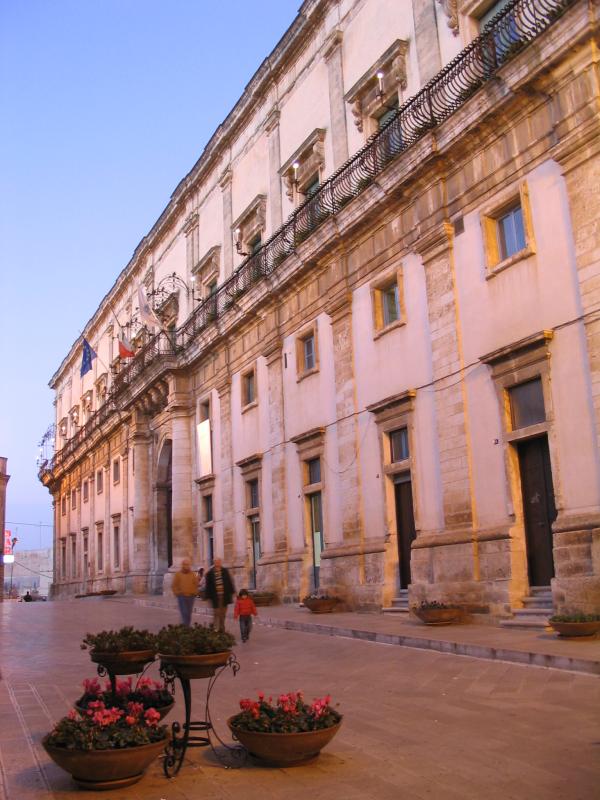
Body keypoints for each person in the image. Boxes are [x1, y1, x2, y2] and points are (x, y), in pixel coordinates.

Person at [204, 557, 235, 632]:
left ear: (220, 562)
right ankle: (215, 629)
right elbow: (208, 586)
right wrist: (207, 597)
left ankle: (222, 628)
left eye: (218, 562)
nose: (217, 563)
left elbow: (229, 582)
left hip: (224, 596)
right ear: (214, 563)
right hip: (215, 596)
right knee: (216, 613)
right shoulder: (210, 573)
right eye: (216, 562)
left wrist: (232, 592)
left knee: (223, 614)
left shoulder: (225, 571)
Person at [172, 557, 198, 626]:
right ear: (183, 565)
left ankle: (186, 626)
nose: (187, 566)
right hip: (182, 597)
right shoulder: (178, 574)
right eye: (185, 564)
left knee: (189, 613)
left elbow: (196, 584)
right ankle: (185, 627)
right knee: (184, 612)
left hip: (191, 597)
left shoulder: (192, 574)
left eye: (188, 564)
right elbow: (174, 585)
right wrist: (177, 593)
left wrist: (194, 592)